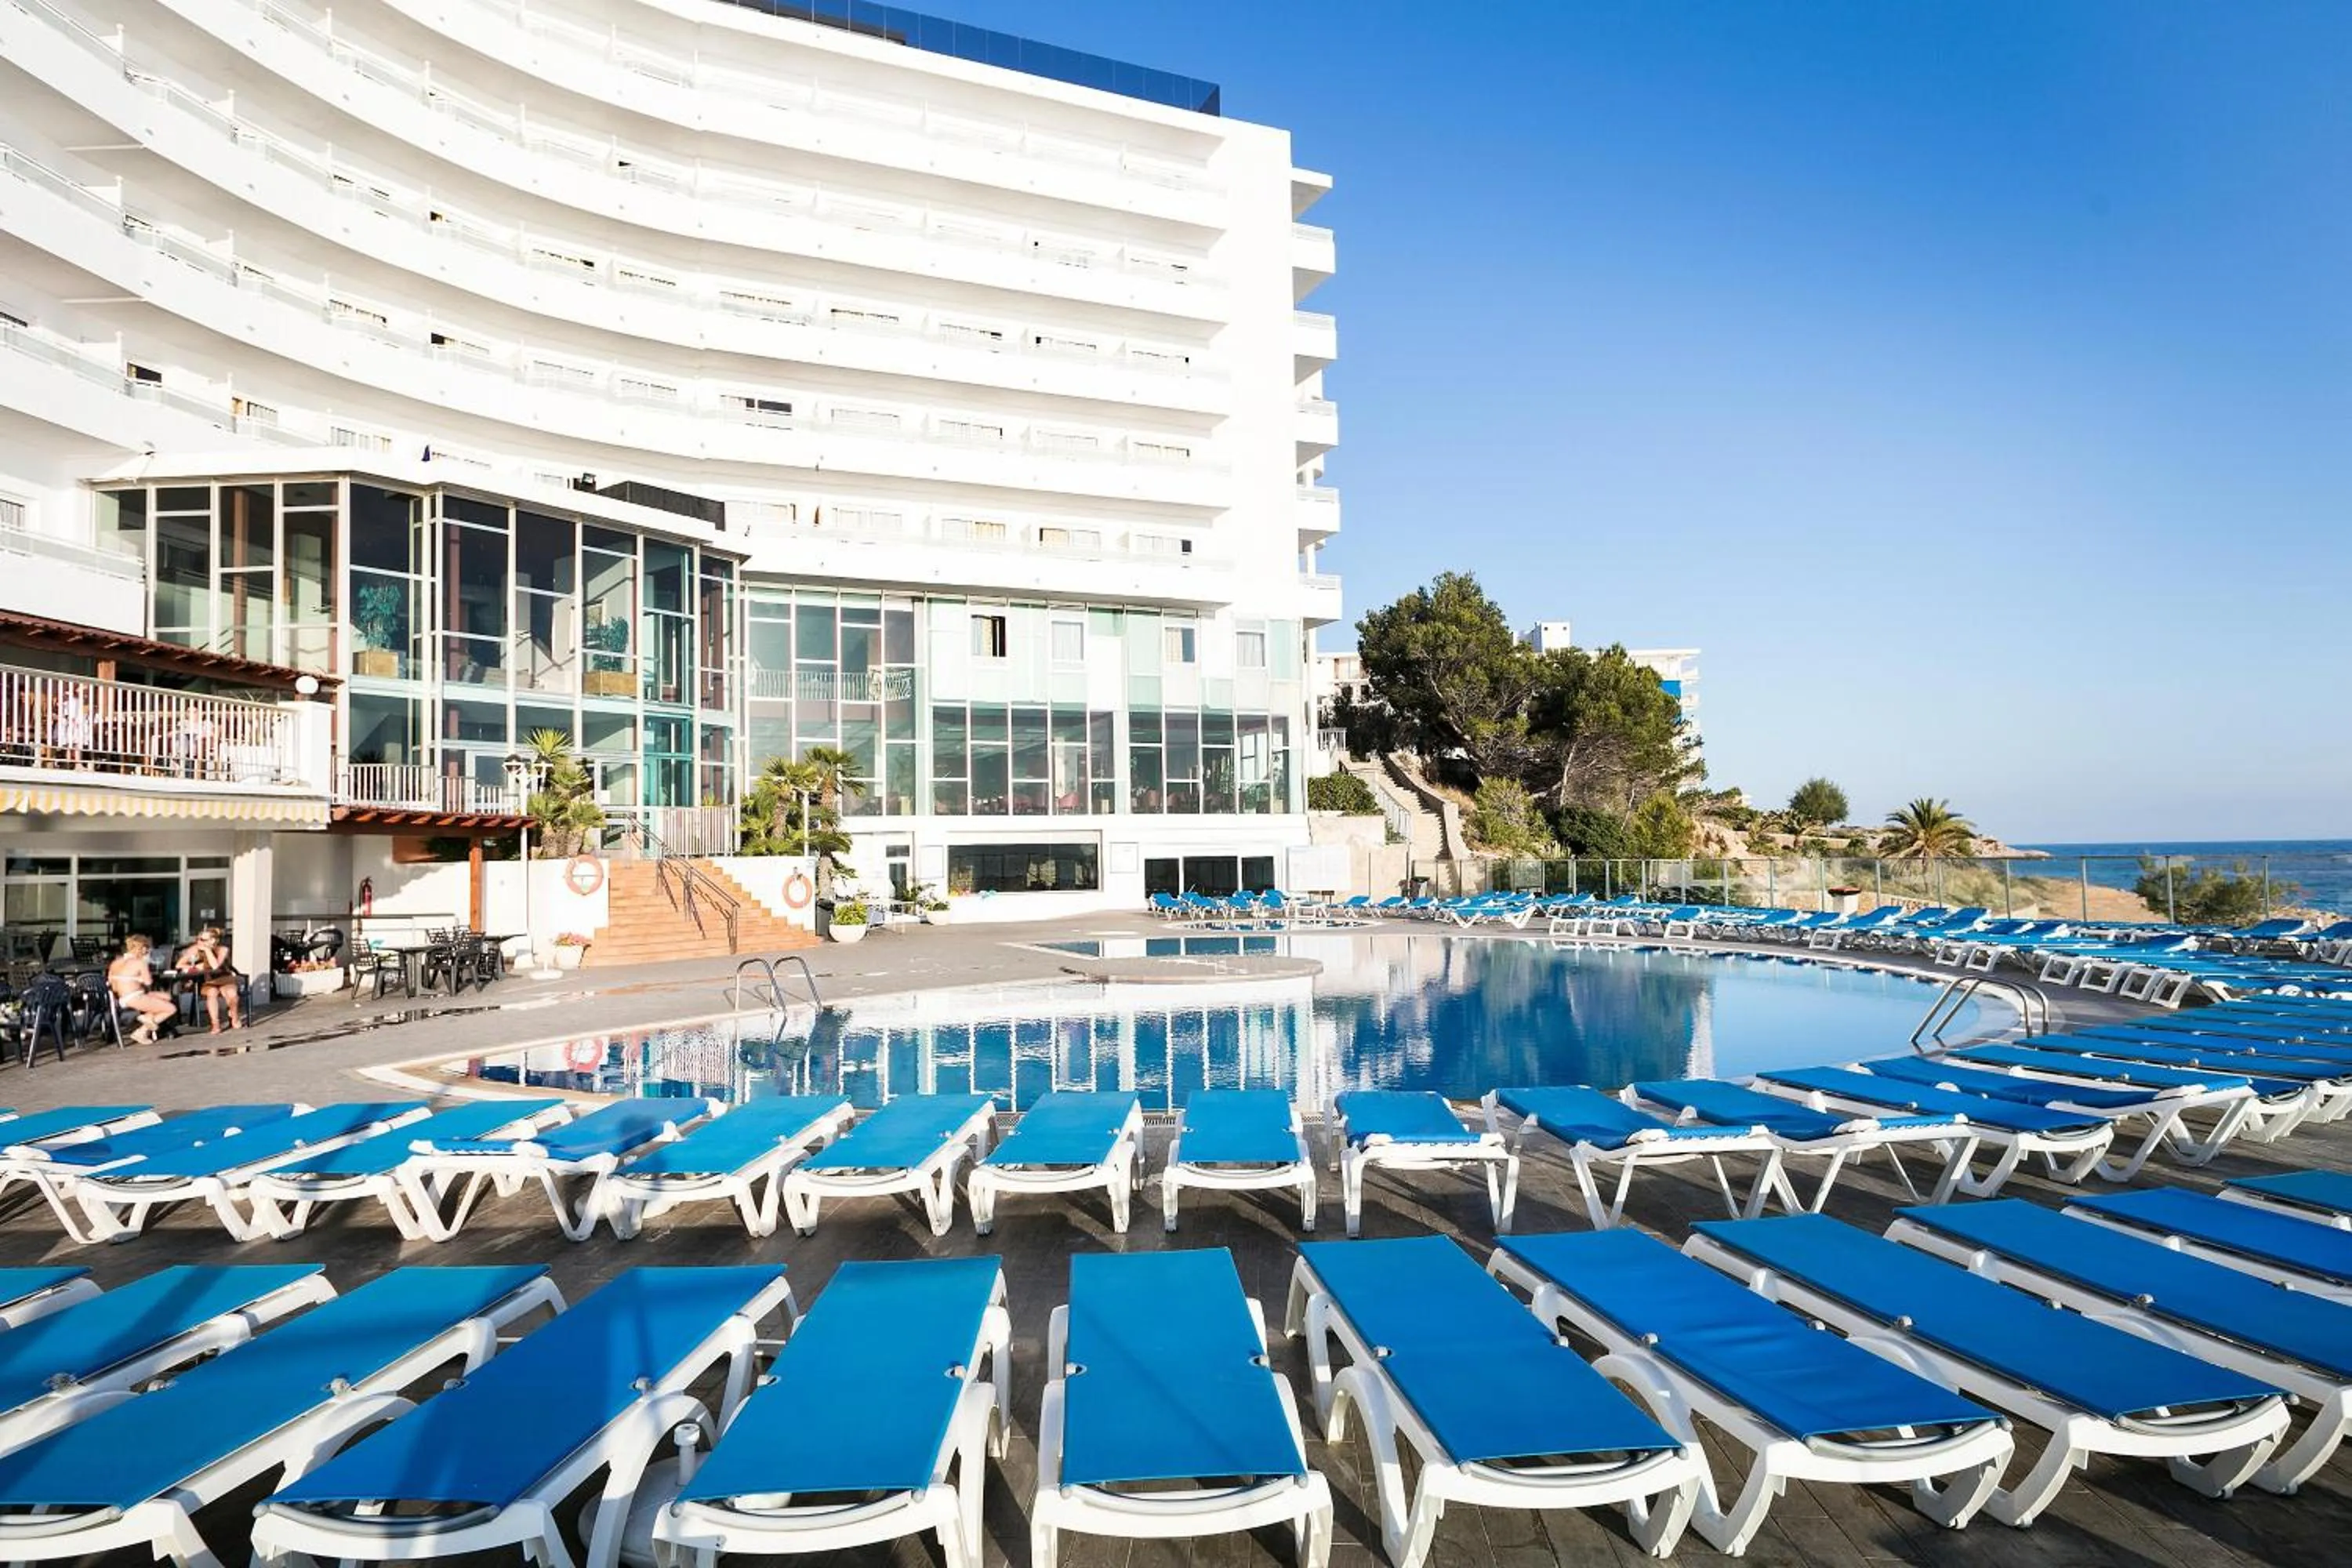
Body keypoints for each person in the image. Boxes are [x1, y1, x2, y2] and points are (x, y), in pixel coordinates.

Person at [107, 936, 178, 1045]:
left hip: (119, 997)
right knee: (171, 1009)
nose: (148, 951)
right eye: (147, 948)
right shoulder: (140, 963)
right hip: (135, 996)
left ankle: (147, 1019)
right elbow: (148, 982)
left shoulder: (116, 962)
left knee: (166, 997)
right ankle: (142, 1031)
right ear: (142, 948)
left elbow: (111, 981)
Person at [176, 927, 244, 1033]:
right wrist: (195, 967)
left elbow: (215, 966)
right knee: (212, 993)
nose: (199, 942)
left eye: (203, 940)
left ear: (212, 940)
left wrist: (207, 950)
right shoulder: (196, 949)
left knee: (232, 994)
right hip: (208, 980)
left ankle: (234, 1016)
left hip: (224, 978)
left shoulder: (223, 949)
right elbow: (179, 964)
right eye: (198, 939)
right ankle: (215, 1024)